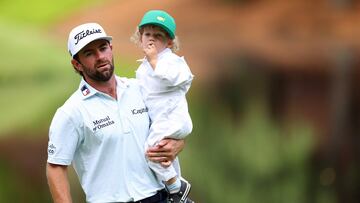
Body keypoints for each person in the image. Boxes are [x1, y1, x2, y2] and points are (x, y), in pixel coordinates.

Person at [46, 22, 187, 203]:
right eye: (89, 53)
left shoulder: (141, 88)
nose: (100, 57)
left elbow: (171, 122)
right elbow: (55, 167)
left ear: (111, 49)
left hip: (158, 197)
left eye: (103, 48)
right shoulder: (71, 112)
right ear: (77, 64)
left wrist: (178, 143)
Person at [131, 10, 194, 203]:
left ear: (169, 43)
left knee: (152, 152)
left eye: (158, 36)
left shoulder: (173, 62)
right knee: (166, 156)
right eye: (148, 34)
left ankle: (177, 186)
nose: (151, 39)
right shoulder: (143, 68)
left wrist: (155, 61)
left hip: (172, 118)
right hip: (162, 120)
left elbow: (181, 79)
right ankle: (177, 196)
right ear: (140, 38)